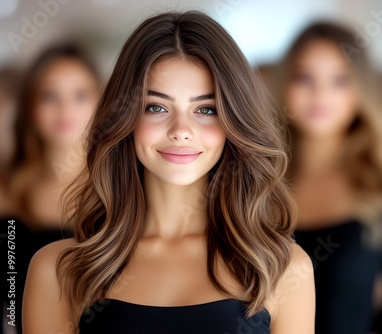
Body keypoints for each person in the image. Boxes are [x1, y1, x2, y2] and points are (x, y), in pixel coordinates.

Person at [22, 11, 315, 334]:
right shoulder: (56, 271)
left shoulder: (283, 268)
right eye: (157, 107)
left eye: (205, 109)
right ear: (126, 118)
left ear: (234, 122)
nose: (181, 130)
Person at [273, 22, 382, 334]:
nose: (320, 93)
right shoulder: (256, 183)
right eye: (305, 77)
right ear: (284, 83)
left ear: (362, 90)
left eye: (339, 80)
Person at [1, 44, 100, 334]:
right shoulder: (7, 191)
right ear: (30, 105)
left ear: (101, 102)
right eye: (49, 96)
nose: (65, 109)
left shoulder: (123, 189)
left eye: (80, 95)